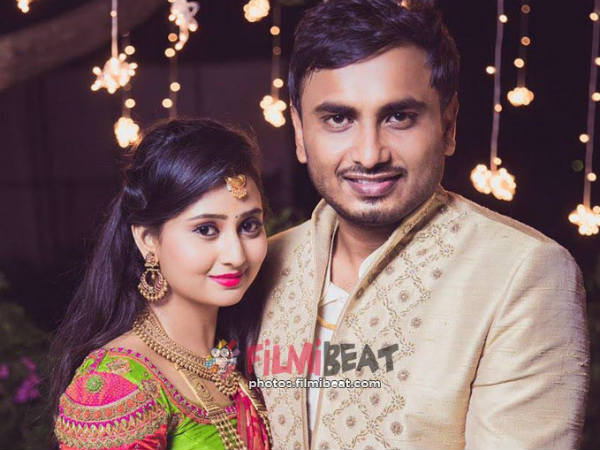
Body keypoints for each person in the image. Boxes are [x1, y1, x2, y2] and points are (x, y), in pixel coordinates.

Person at [253, 1, 589, 449]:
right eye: (338, 119)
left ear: (448, 126)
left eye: (399, 117)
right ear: (299, 132)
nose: (369, 154)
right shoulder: (259, 265)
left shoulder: (522, 273)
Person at [50, 119, 272, 450]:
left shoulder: (235, 355)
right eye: (206, 229)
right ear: (148, 240)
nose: (236, 255)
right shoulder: (115, 385)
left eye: (249, 225)